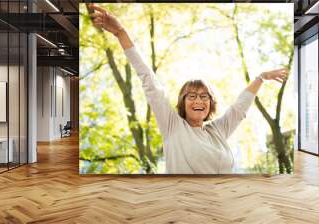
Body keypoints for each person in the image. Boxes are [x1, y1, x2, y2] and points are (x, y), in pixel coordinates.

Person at [88, 4, 287, 174]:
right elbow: (148, 78)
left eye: (204, 97)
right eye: (192, 96)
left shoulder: (217, 131)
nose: (199, 101)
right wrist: (120, 32)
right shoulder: (173, 126)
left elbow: (239, 107)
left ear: (211, 103)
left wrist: (261, 78)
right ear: (182, 102)